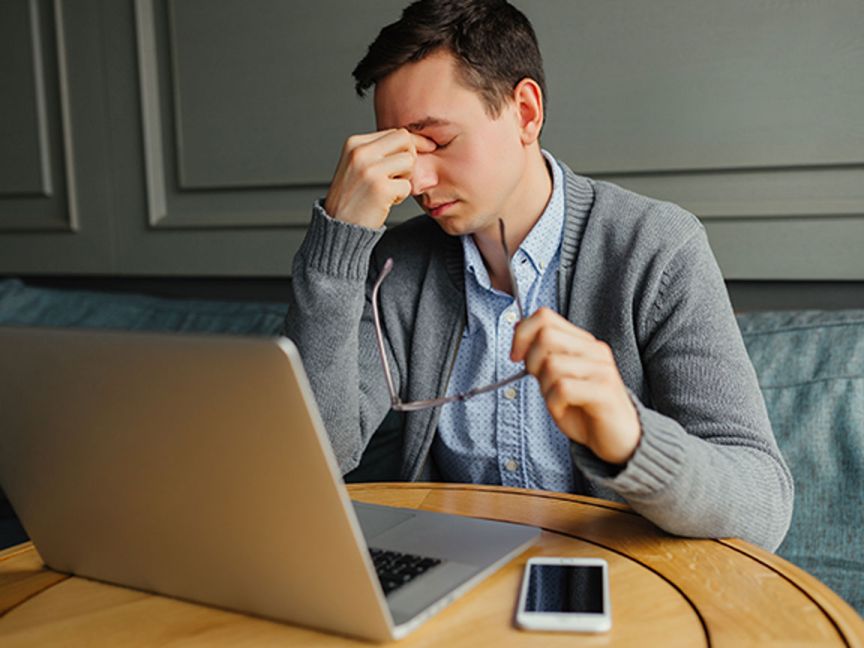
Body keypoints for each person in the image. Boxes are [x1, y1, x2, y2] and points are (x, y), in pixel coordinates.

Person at [284, 0, 793, 551]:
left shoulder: (655, 247)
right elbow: (312, 458)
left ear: (525, 112)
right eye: (401, 152)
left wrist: (631, 439)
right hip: (451, 589)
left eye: (438, 141)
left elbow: (762, 505)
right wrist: (337, 240)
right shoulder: (396, 266)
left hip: (624, 592)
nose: (418, 180)